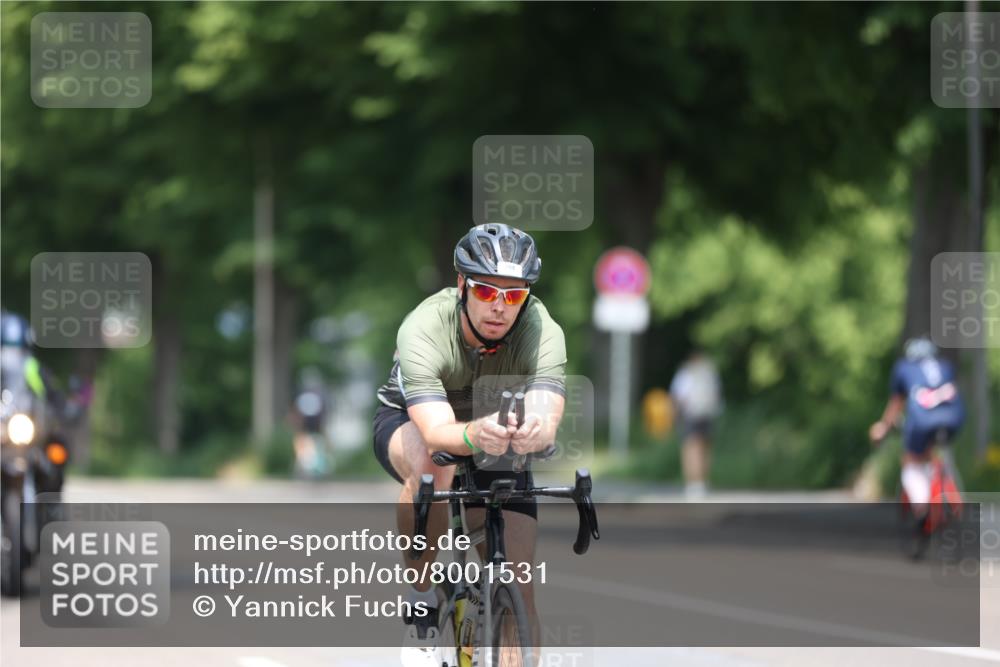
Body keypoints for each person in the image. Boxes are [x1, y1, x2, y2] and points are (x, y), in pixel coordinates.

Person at [373, 224, 566, 666]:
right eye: (486, 291)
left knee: (519, 581)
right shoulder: (424, 327)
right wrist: (473, 434)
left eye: (513, 296)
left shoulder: (541, 329)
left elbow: (546, 410)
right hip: (414, 421)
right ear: (462, 285)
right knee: (430, 464)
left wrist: (539, 429)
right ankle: (422, 593)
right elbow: (439, 432)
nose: (499, 307)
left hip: (494, 428)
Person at [869, 337, 966, 521]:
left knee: (911, 460)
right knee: (934, 451)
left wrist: (883, 427)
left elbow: (897, 403)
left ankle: (922, 505)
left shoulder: (903, 367)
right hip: (955, 417)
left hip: (923, 420)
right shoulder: (944, 365)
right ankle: (946, 483)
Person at [669, 350, 722, 499]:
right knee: (705, 448)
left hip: (690, 415)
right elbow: (717, 397)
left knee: (691, 448)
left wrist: (675, 416)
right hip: (707, 415)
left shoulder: (686, 374)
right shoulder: (710, 373)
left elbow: (678, 396)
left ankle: (693, 484)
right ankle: (703, 482)